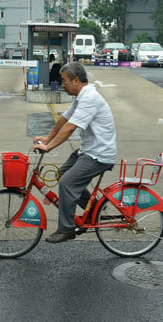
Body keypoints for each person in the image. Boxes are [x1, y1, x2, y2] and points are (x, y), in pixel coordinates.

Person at [33, 62, 116, 243]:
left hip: (99, 155)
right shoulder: (81, 96)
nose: (62, 84)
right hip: (89, 150)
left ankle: (66, 229)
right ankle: (94, 210)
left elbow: (70, 128)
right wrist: (48, 138)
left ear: (76, 80)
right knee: (62, 173)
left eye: (64, 80)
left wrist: (49, 147)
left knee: (67, 184)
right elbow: (65, 118)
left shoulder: (90, 98)